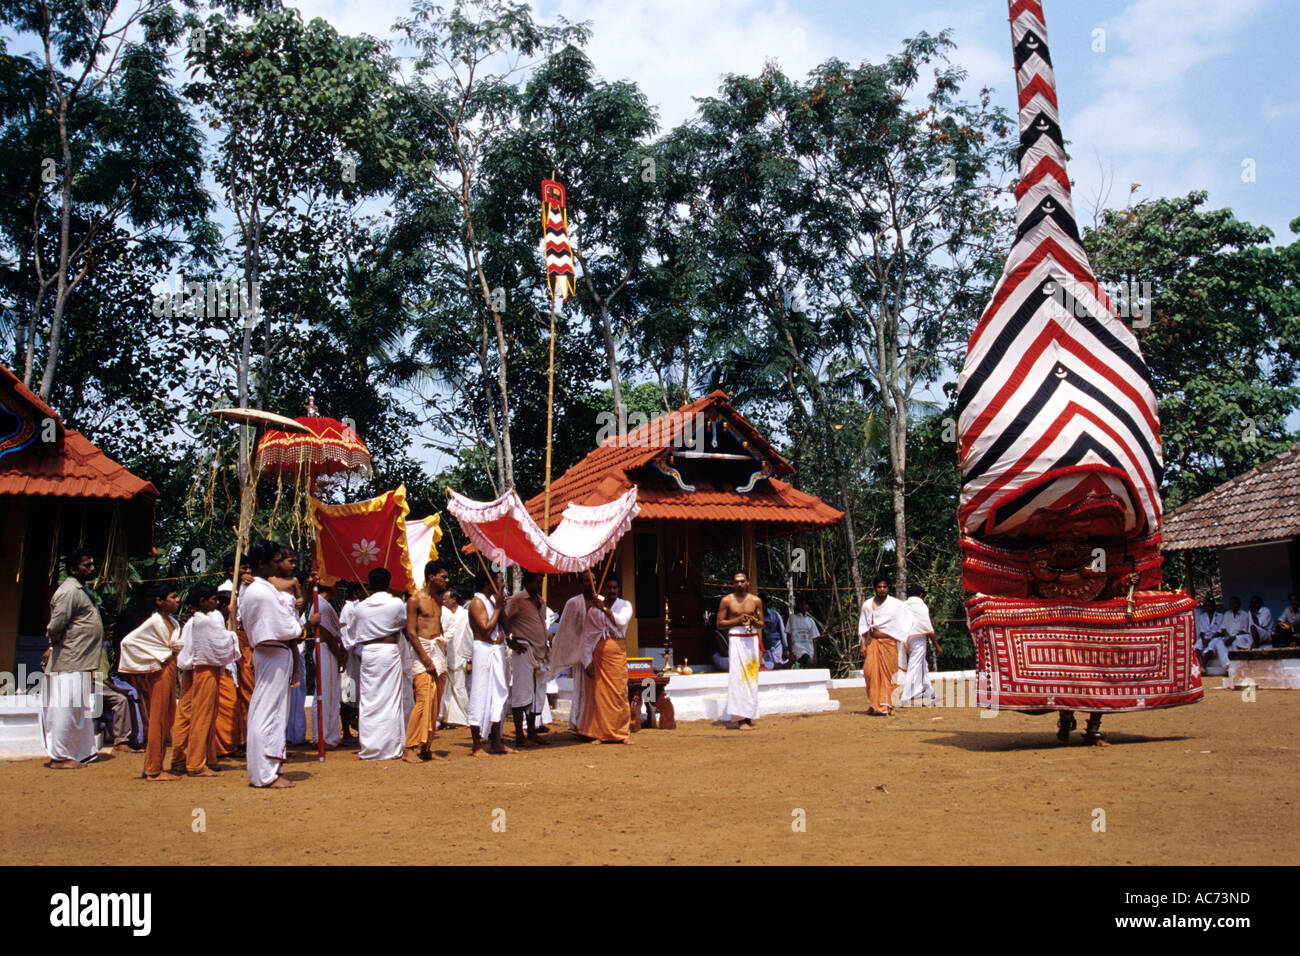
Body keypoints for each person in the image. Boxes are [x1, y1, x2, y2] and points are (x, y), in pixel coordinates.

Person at [239, 540, 313, 788]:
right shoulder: (261, 591)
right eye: (273, 561)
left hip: (270, 651)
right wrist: (305, 625)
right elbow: (286, 626)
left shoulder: (256, 589)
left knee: (266, 709)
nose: (277, 565)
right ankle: (266, 772)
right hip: (274, 650)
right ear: (261, 564)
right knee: (269, 711)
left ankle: (265, 769)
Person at [42, 548, 105, 770]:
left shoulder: (81, 591)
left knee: (77, 708)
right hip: (69, 659)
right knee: (64, 708)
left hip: (80, 660)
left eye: (91, 564)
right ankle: (59, 756)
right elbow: (56, 625)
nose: (92, 569)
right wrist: (54, 645)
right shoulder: (69, 591)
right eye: (86, 565)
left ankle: (78, 752)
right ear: (72, 569)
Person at [118, 584, 185, 780]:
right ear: (160, 601)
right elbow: (128, 642)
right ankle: (153, 768)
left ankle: (157, 765)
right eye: (173, 597)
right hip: (160, 671)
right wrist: (159, 656)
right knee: (158, 718)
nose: (177, 600)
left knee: (167, 716)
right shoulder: (154, 622)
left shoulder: (172, 621)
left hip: (170, 669)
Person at [172, 584, 240, 776]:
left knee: (186, 714)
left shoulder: (191, 622)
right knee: (203, 715)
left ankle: (182, 758)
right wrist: (232, 623)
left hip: (190, 670)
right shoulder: (206, 622)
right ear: (202, 601)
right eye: (213, 599)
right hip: (205, 670)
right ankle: (196, 763)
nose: (216, 602)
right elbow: (224, 644)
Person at [347, 567, 413, 761]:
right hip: (388, 651)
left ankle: (371, 746)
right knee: (390, 698)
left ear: (369, 584)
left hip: (369, 653)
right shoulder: (395, 604)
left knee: (369, 699)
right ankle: (390, 746)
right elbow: (404, 624)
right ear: (389, 582)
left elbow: (352, 633)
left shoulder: (360, 608)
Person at [404, 561, 450, 762]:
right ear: (431, 577)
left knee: (435, 700)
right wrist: (425, 657)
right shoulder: (415, 600)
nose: (446, 581)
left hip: (437, 650)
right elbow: (411, 632)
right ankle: (409, 748)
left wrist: (441, 648)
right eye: (443, 577)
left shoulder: (439, 601)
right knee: (423, 700)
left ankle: (426, 747)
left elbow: (437, 626)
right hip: (422, 652)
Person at [504, 570, 551, 748]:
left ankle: (531, 732)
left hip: (540, 652)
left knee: (536, 693)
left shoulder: (540, 601)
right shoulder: (517, 600)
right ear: (527, 582)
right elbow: (504, 617)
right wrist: (510, 640)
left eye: (541, 581)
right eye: (537, 581)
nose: (539, 585)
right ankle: (519, 735)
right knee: (521, 694)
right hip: (523, 650)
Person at [467, 568, 512, 756]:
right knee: (480, 695)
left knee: (497, 695)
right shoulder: (477, 603)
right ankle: (477, 745)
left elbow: (507, 628)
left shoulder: (493, 602)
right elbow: (486, 629)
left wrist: (501, 606)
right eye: (498, 579)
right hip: (484, 651)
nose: (501, 583)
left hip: (497, 651)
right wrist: (499, 607)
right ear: (488, 582)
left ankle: (496, 742)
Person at [857, 575, 912, 717]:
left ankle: (885, 706)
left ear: (888, 588)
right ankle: (873, 703)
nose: (882, 589)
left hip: (889, 643)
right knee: (870, 673)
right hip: (873, 643)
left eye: (884, 587)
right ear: (874, 588)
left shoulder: (896, 604)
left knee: (889, 674)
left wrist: (902, 638)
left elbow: (907, 619)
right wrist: (862, 644)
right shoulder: (867, 604)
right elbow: (863, 626)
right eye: (879, 587)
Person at [717, 571, 763, 730]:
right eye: (736, 581)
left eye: (742, 581)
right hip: (736, 638)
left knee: (751, 677)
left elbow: (762, 623)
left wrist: (755, 621)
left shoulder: (756, 600)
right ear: (733, 583)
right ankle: (740, 719)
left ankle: (749, 716)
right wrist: (737, 620)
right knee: (737, 678)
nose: (739, 584)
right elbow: (719, 623)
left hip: (751, 640)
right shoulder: (727, 600)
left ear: (748, 582)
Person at [309, 579, 346, 750]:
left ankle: (329, 735)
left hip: (329, 650)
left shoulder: (323, 604)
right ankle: (322, 736)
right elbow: (328, 634)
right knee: (324, 694)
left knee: (330, 694)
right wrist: (339, 655)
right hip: (325, 650)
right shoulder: (320, 606)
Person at [901, 584, 942, 706]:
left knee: (923, 665)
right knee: (914, 666)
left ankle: (929, 693)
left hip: (907, 638)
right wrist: (936, 645)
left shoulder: (904, 605)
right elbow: (927, 627)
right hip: (918, 639)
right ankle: (905, 696)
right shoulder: (921, 606)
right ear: (920, 596)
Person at [440, 585, 472, 727]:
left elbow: (470, 637)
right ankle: (449, 718)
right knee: (447, 689)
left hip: (461, 656)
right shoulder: (443, 614)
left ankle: (465, 717)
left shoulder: (465, 615)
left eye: (446, 598)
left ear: (454, 599)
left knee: (460, 688)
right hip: (446, 656)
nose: (444, 601)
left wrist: (469, 659)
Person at [338, 581, 362, 744]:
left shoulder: (361, 607)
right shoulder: (349, 608)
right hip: (350, 656)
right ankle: (346, 729)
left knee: (357, 694)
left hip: (359, 657)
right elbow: (346, 633)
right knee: (349, 692)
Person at [1203, 595, 1251, 673]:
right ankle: (1227, 665)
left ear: (1238, 604)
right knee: (1218, 642)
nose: (1232, 606)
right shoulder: (1227, 614)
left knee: (1236, 642)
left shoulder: (1244, 614)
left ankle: (1238, 667)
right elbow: (1223, 629)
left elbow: (1244, 631)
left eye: (1234, 603)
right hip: (1229, 636)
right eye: (1230, 604)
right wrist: (1218, 636)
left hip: (1240, 637)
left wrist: (1233, 637)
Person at [786, 597, 821, 668]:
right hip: (797, 651)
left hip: (809, 650)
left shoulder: (810, 621)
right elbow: (788, 635)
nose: (803, 606)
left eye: (805, 604)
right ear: (798, 606)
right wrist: (790, 652)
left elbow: (814, 639)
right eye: (801, 604)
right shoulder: (792, 618)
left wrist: (815, 655)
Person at [1194, 593, 1222, 665]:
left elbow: (1220, 632)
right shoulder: (1202, 617)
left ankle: (1202, 666)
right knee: (1197, 646)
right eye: (1206, 606)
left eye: (1210, 606)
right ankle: (1200, 665)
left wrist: (1210, 639)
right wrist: (1203, 639)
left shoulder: (1220, 616)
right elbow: (1202, 631)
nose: (1208, 608)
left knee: (1211, 646)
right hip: (1205, 637)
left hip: (1216, 638)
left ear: (1214, 607)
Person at [761, 604, 788, 669]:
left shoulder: (775, 614)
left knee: (779, 668)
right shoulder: (754, 616)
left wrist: (786, 648)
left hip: (776, 648)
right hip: (763, 651)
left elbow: (782, 631)